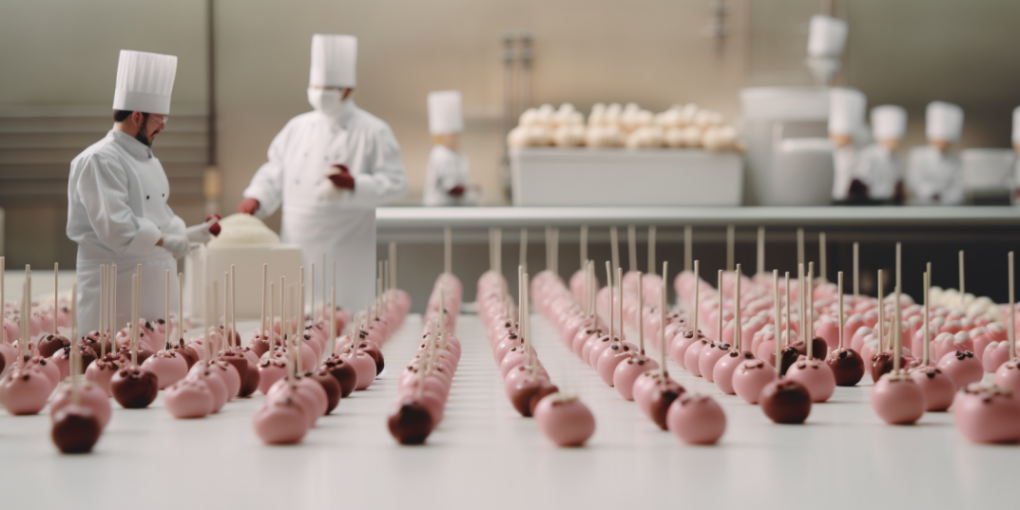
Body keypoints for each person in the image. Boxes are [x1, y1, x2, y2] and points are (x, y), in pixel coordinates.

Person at [237, 34, 407, 313]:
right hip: (297, 240)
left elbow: (397, 184)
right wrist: (256, 197)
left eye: (327, 87)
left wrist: (355, 184)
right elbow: (275, 170)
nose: (319, 92)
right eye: (315, 86)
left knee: (349, 329)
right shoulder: (297, 127)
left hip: (347, 247)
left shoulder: (373, 130)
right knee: (295, 323)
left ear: (347, 90)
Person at [67, 50, 217, 333]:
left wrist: (189, 233)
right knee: (114, 363)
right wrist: (166, 241)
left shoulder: (147, 157)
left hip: (155, 290)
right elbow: (117, 228)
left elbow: (159, 215)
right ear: (137, 116)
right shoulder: (99, 160)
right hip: (116, 293)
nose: (162, 126)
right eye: (159, 119)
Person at [423, 90, 478, 206]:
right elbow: (450, 187)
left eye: (456, 133)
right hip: (439, 208)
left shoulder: (458, 155)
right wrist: (470, 190)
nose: (455, 137)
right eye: (452, 134)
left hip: (454, 209)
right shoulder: (440, 154)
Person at [907, 101, 965, 205]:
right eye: (939, 138)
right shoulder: (917, 155)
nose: (943, 142)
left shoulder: (955, 160)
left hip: (949, 206)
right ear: (930, 137)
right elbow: (914, 182)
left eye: (946, 140)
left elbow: (958, 187)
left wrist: (946, 197)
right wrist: (933, 193)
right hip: (921, 205)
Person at [854, 105, 907, 204]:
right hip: (871, 204)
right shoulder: (867, 156)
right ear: (882, 136)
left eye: (897, 138)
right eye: (892, 138)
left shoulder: (898, 158)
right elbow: (862, 184)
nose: (895, 141)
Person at [828, 88, 866, 203]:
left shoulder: (861, 156)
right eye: (836, 134)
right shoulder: (826, 155)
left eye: (844, 135)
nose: (840, 138)